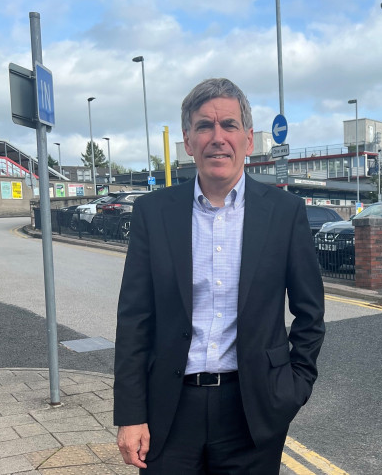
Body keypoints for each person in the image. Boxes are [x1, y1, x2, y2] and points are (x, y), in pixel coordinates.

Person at [114, 77, 325, 474]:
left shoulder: (284, 213)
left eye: (228, 125)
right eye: (204, 126)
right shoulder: (153, 213)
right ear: (188, 139)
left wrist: (294, 388)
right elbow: (134, 320)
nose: (217, 137)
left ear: (247, 138)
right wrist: (130, 413)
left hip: (252, 411)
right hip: (168, 411)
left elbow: (310, 313)